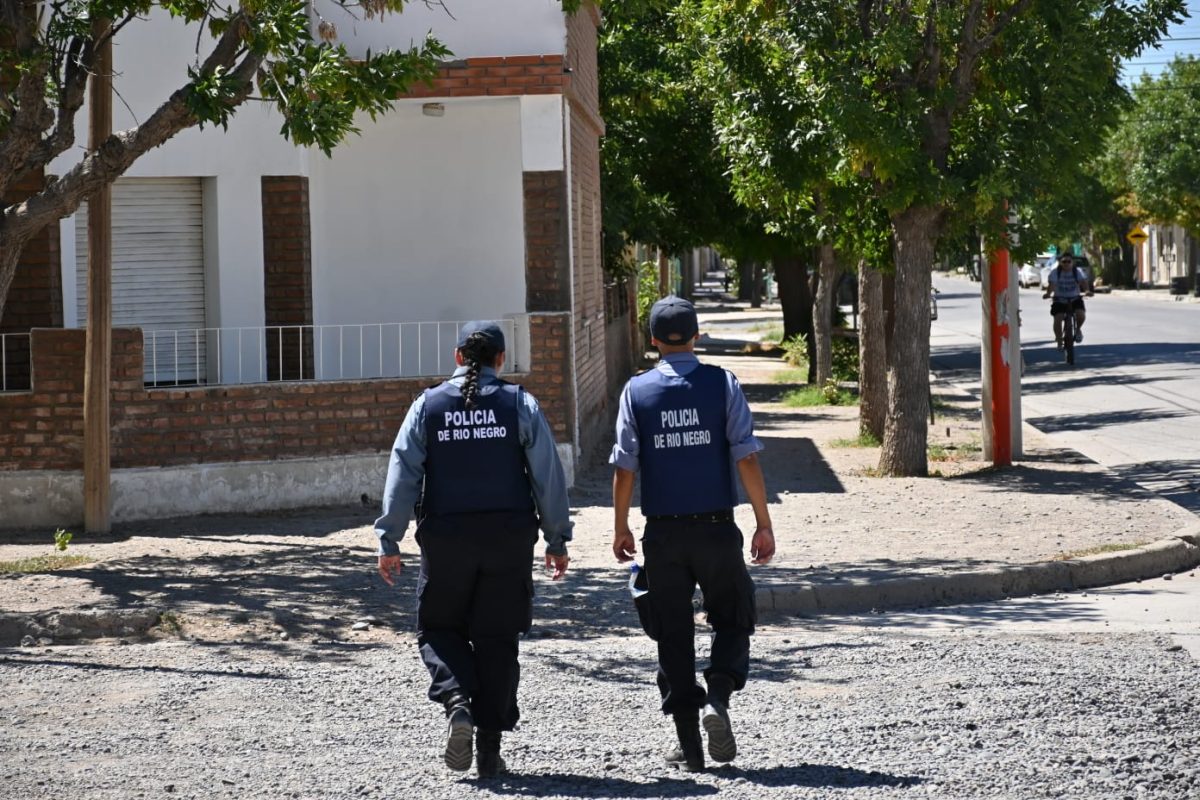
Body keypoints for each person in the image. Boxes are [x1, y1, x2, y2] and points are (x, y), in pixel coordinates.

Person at [375, 320, 572, 779]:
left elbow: (402, 473)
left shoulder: (427, 406)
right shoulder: (520, 403)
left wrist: (390, 540)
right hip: (508, 539)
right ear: (500, 360)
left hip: (447, 540)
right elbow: (548, 476)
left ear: (458, 356)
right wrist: (557, 538)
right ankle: (488, 753)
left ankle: (457, 702)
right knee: (497, 639)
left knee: (438, 627)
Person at [609, 295, 776, 772]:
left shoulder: (636, 392)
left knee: (673, 637)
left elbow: (625, 468)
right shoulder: (722, 383)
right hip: (716, 528)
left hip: (662, 535)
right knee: (734, 617)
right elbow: (746, 456)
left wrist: (621, 525)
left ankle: (690, 747)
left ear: (654, 341)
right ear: (697, 336)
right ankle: (717, 698)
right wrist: (762, 523)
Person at [1043, 253, 1093, 349]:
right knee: (1058, 318)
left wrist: (1087, 291)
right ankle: (1059, 339)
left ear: (1072, 262)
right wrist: (1048, 294)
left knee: (1081, 314)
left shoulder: (1077, 271)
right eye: (1064, 262)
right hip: (1059, 299)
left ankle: (1078, 329)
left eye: (1068, 261)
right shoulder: (1055, 272)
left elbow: (1083, 282)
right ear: (1060, 263)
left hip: (1075, 298)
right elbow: (1052, 285)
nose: (1066, 264)